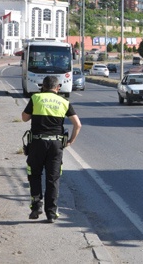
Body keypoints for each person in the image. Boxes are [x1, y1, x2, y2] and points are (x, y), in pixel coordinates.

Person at [22, 76, 81, 223]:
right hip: (56, 145)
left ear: (43, 86)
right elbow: (78, 124)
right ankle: (51, 213)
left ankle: (36, 207)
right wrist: (70, 141)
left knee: (34, 175)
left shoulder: (36, 98)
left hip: (37, 143)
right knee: (52, 179)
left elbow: (24, 118)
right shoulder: (64, 102)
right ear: (58, 87)